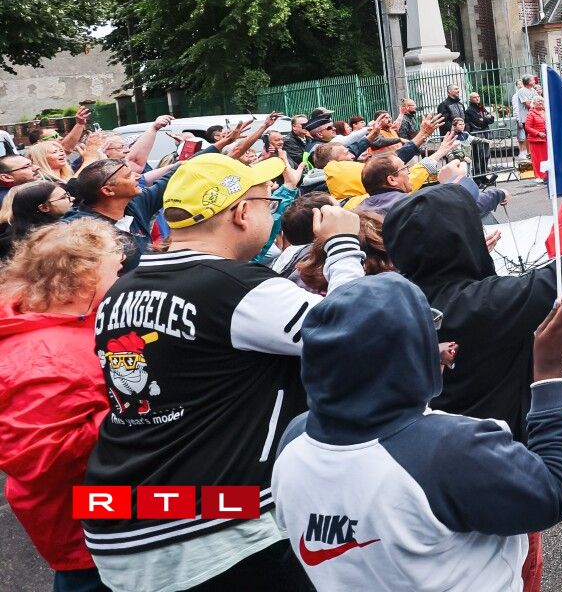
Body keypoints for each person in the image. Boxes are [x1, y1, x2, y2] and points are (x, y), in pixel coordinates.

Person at [81, 153, 366, 591]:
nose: (272, 213)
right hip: (211, 524)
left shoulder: (123, 289)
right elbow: (359, 326)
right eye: (269, 202)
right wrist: (342, 245)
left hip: (126, 508)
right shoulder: (233, 287)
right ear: (241, 212)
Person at [272, 274, 562, 591]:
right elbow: (553, 491)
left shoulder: (294, 439)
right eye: (426, 335)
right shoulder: (448, 449)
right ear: (405, 355)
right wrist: (549, 373)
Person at [384, 184, 562, 444]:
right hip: (501, 446)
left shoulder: (391, 300)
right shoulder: (487, 302)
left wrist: (466, 254)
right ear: (462, 237)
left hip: (436, 443)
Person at [0, 220, 125, 592]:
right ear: (84, 278)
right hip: (84, 520)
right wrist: (131, 409)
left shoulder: (48, 316)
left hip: (86, 507)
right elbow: (41, 458)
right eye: (116, 270)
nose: (122, 276)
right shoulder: (42, 357)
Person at [62, 158, 173, 265]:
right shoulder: (78, 231)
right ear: (108, 190)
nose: (137, 177)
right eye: (128, 176)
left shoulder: (135, 205)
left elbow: (170, 181)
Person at [0, 180, 72, 262]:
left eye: (68, 195)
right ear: (44, 207)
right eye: (63, 197)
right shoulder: (42, 242)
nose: (72, 199)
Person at [465, 91, 496, 182]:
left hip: (485, 134)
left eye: (478, 96)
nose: (477, 98)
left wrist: (486, 118)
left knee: (486, 156)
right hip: (477, 134)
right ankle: (477, 178)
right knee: (478, 156)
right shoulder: (470, 110)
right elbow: (479, 122)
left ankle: (484, 176)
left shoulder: (481, 107)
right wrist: (487, 118)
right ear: (470, 99)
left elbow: (491, 119)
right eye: (475, 97)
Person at [524, 97, 548, 181]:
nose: (540, 102)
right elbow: (527, 127)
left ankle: (546, 175)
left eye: (542, 101)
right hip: (536, 140)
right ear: (534, 103)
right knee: (537, 159)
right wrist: (538, 133)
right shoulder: (531, 113)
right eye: (538, 101)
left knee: (546, 158)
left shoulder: (546, 112)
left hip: (546, 139)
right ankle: (539, 176)